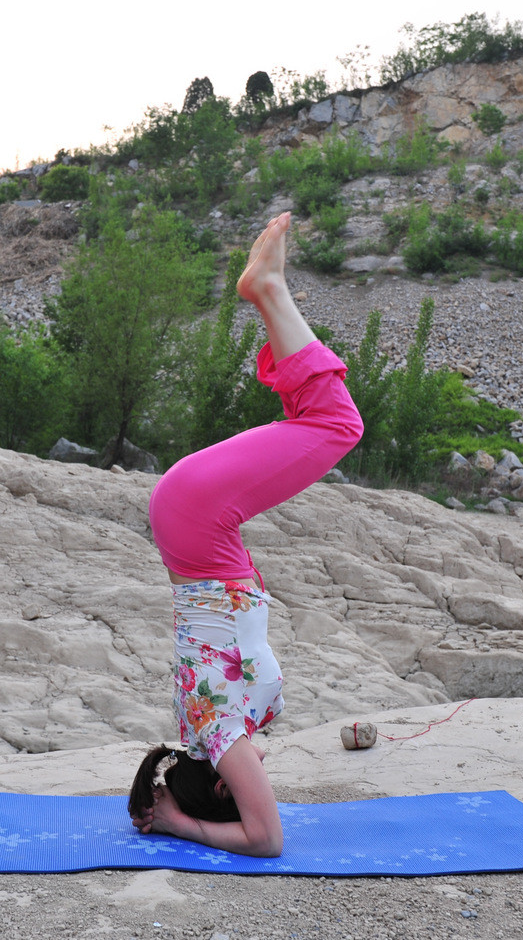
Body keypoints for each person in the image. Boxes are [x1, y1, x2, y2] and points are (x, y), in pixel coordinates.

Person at [127, 211, 364, 857]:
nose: (261, 772)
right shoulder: (210, 731)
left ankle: (267, 290)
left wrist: (179, 825)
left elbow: (265, 840)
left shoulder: (220, 736)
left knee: (337, 425)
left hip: (198, 520)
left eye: (245, 785)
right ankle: (267, 293)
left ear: (222, 787)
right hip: (194, 523)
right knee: (317, 419)